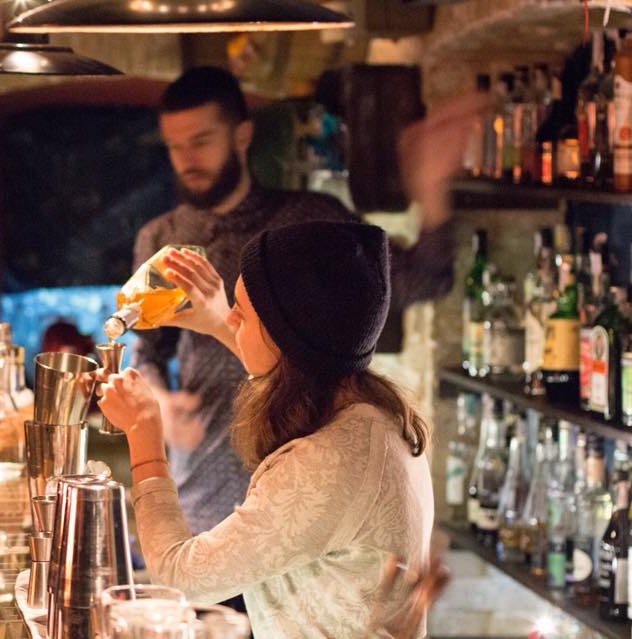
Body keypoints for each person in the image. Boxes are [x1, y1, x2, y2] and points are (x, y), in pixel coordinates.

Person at [129, 66, 481, 540]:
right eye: (174, 146)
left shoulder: (307, 221)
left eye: (201, 140)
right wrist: (162, 403)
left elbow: (422, 278)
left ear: (242, 134)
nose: (186, 158)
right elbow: (147, 350)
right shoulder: (161, 237)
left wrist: (432, 189)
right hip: (205, 492)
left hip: (309, 491)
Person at [98, 221, 435, 638]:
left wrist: (144, 434)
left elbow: (180, 576)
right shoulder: (369, 413)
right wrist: (218, 319)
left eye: (242, 308)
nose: (231, 315)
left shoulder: (327, 463)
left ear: (288, 337)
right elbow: (288, 355)